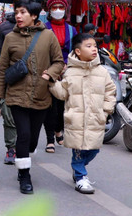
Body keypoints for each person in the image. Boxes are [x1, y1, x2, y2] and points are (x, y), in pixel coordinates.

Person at [0, 0, 64, 194]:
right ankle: (24, 175)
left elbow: (59, 61)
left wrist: (50, 74)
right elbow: (2, 70)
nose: (18, 16)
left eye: (22, 12)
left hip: (41, 95)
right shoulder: (10, 37)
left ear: (34, 15)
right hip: (16, 95)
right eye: (16, 12)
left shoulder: (48, 36)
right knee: (22, 134)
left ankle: (24, 156)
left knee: (32, 139)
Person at [49, 34, 117, 194]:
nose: (94, 48)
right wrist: (52, 83)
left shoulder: (102, 72)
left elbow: (110, 90)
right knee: (78, 149)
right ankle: (80, 176)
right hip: (76, 119)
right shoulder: (70, 72)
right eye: (89, 46)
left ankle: (78, 167)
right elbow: (62, 93)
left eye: (95, 45)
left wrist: (106, 110)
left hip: (95, 119)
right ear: (78, 51)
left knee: (93, 149)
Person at [43, 0, 76, 152]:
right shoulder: (43, 27)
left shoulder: (72, 29)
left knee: (62, 105)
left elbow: (77, 51)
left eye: (60, 7)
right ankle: (50, 138)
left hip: (66, 71)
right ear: (49, 10)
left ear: (65, 9)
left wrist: (67, 66)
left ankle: (58, 130)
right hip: (48, 70)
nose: (57, 10)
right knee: (50, 106)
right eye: (54, 8)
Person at [0, 9, 19, 164]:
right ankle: (11, 148)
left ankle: (24, 146)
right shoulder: (4, 29)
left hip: (31, 83)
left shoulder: (41, 31)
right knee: (8, 116)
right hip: (9, 78)